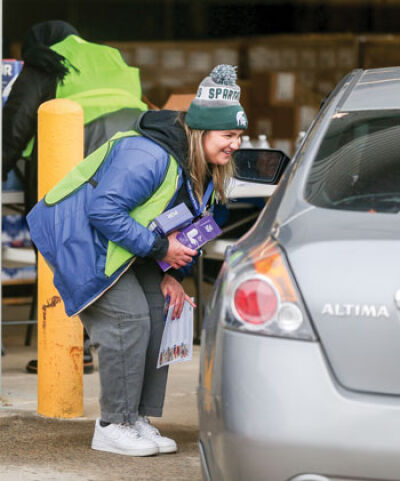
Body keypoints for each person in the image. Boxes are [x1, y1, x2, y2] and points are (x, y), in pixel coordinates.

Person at [27, 64, 248, 456]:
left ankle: (136, 418)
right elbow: (103, 212)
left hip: (127, 246)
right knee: (127, 318)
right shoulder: (147, 154)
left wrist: (168, 273)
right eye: (228, 135)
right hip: (80, 238)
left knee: (160, 309)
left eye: (239, 136)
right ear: (201, 132)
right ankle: (113, 424)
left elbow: (165, 221)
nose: (235, 144)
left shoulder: (202, 168)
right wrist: (161, 251)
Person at [2, 20, 147, 373]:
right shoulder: (110, 56)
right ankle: (118, 345)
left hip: (74, 155)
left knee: (62, 246)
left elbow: (16, 124)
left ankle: (72, 347)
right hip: (133, 156)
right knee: (113, 250)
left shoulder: (48, 61)